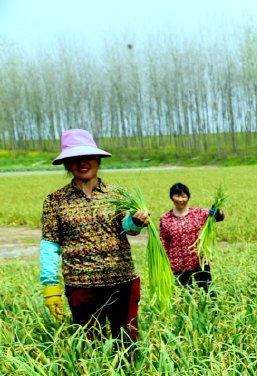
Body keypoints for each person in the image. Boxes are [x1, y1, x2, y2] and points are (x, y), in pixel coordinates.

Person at [40, 128, 150, 346]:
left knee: (127, 343)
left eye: (88, 156)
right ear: (67, 164)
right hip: (82, 285)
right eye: (75, 158)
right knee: (91, 346)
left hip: (122, 281)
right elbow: (50, 243)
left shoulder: (116, 194)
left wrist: (135, 222)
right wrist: (50, 286)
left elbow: (127, 227)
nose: (83, 162)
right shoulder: (55, 201)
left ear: (98, 159)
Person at [158, 182, 226, 293]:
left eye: (183, 196)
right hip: (178, 264)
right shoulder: (165, 219)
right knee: (184, 296)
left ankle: (211, 310)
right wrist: (163, 263)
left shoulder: (199, 213)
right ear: (171, 197)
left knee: (208, 293)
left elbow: (220, 217)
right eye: (177, 196)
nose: (180, 199)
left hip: (199, 261)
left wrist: (217, 212)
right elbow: (164, 242)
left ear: (188, 197)